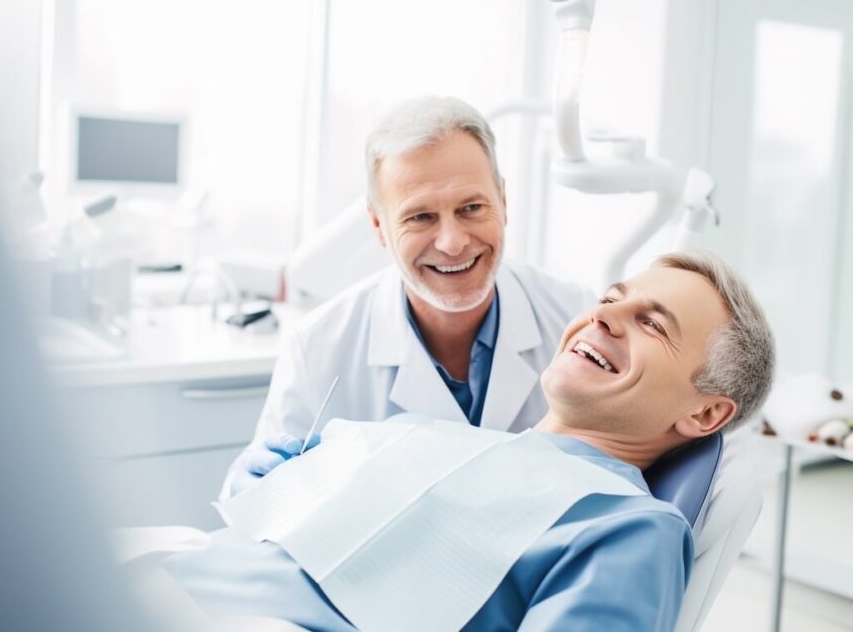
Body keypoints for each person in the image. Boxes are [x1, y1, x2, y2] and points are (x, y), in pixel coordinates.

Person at [171, 252, 775, 631]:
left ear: (705, 412)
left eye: (652, 323)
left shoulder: (628, 529)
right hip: (172, 571)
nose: (604, 317)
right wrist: (274, 486)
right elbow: (248, 515)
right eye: (611, 299)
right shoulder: (430, 437)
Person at [224, 97, 594, 497]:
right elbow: (262, 512)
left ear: (503, 203)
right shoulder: (318, 348)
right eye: (421, 217)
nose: (452, 243)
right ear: (378, 225)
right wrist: (252, 495)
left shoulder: (576, 319)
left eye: (471, 207)